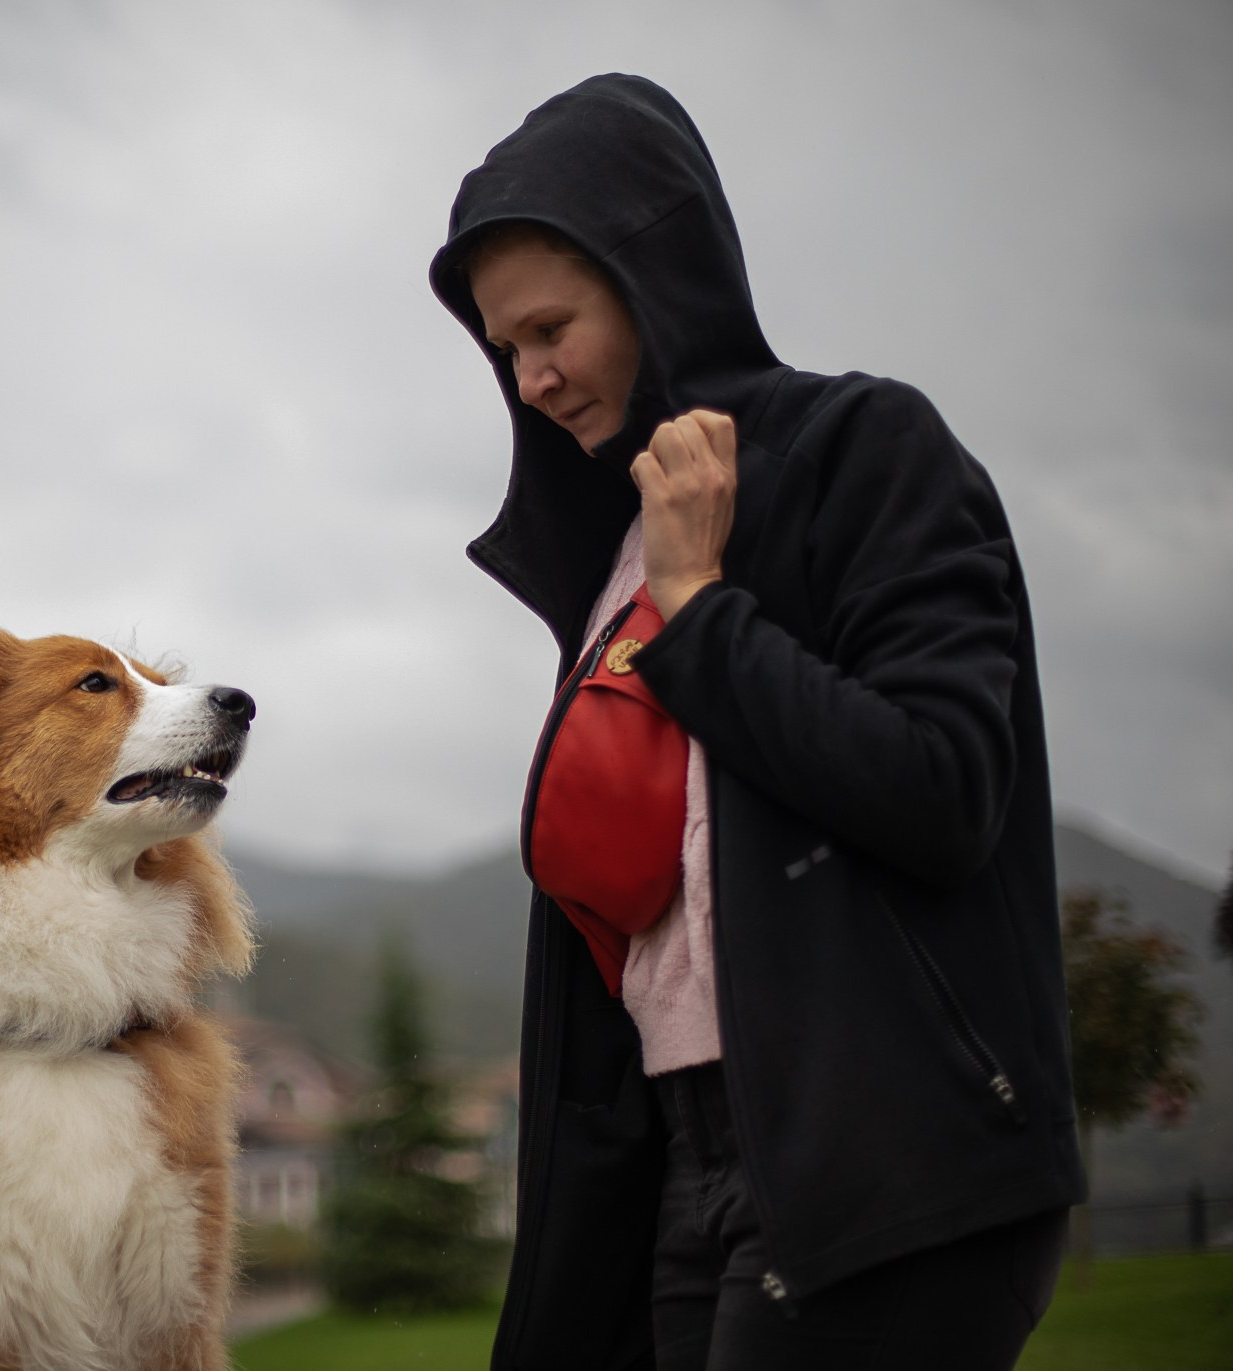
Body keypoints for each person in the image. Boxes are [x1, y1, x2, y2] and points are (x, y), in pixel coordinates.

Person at [428, 75, 1084, 1370]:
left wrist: (701, 607)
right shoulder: (614, 551)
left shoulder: (868, 450)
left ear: (650, 273)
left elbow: (945, 789)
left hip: (889, 1155)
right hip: (688, 1164)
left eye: (552, 327)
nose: (534, 377)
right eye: (505, 350)